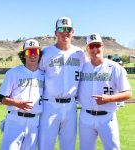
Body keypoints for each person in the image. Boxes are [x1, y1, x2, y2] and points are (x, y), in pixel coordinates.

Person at [38, 16, 88, 150]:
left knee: (68, 146)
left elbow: (87, 76)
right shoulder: (45, 52)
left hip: (71, 106)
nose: (65, 32)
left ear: (73, 31)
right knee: (45, 145)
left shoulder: (80, 53)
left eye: (68, 29)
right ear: (55, 32)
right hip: (49, 105)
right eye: (61, 29)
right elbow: (36, 77)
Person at [78, 33, 132, 150]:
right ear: (87, 49)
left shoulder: (114, 67)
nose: (95, 49)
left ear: (102, 47)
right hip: (86, 117)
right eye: (91, 46)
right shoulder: (82, 67)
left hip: (107, 117)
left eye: (97, 45)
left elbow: (128, 93)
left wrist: (109, 99)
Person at [0, 39, 44, 150]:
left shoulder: (44, 74)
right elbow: (0, 97)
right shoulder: (13, 72)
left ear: (39, 54)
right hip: (15, 120)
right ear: (24, 55)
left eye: (35, 52)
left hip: (34, 121)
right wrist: (17, 103)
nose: (33, 55)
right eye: (29, 52)